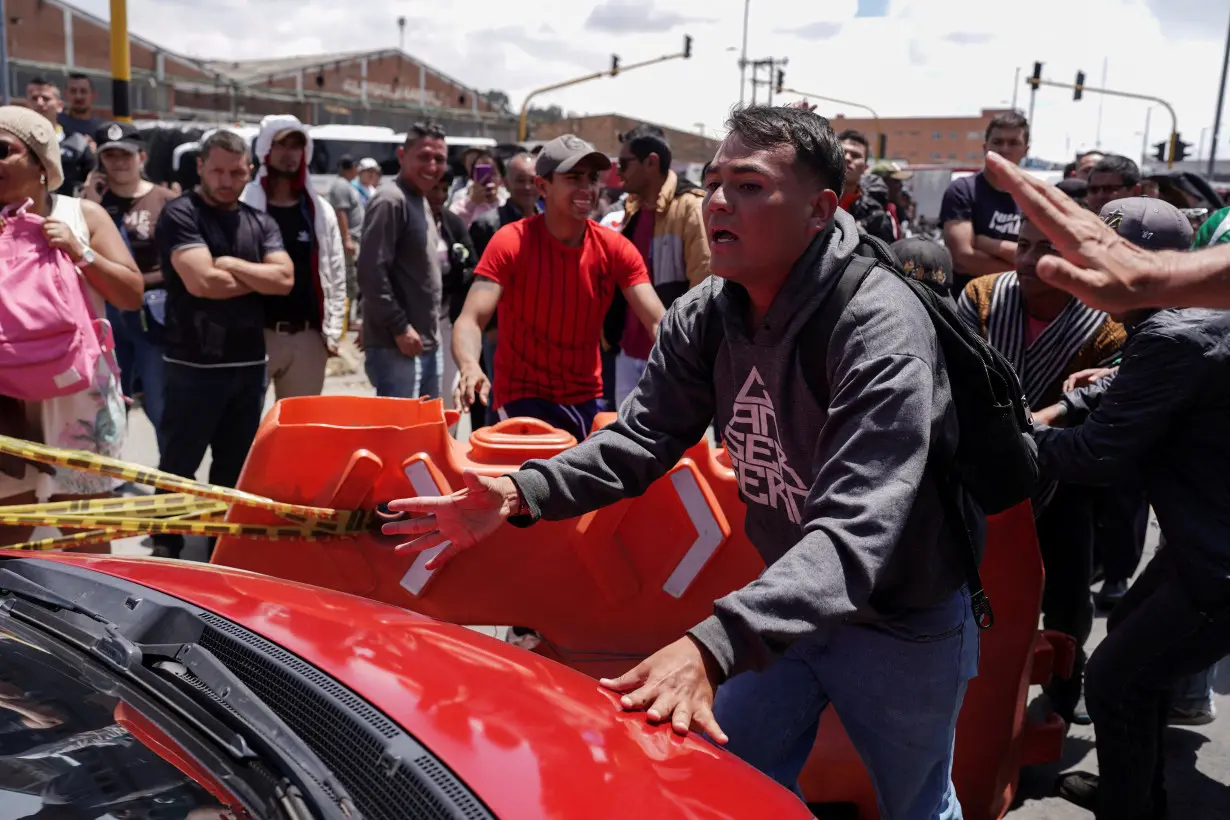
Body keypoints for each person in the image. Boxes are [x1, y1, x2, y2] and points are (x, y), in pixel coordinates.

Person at [396, 107, 980, 817]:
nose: (720, 203)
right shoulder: (709, 312)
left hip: (900, 615)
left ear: (821, 209)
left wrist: (711, 645)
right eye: (714, 183)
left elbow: (856, 533)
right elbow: (640, 442)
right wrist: (519, 492)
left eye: (751, 186)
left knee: (919, 805)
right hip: (787, 610)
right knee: (720, 781)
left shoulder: (880, 326)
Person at [1022, 198, 1230, 820]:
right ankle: (1134, 791)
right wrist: (1068, 405)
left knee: (1116, 678)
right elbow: (1141, 378)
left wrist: (1012, 440)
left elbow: (1097, 457)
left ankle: (1129, 808)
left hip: (1216, 557)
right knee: (1137, 647)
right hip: (1200, 542)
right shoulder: (1191, 320)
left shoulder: (1171, 335)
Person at [957, 214, 1127, 725]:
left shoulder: (1107, 319)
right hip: (977, 472)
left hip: (1062, 474)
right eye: (1023, 245)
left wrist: (1050, 420)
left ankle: (1063, 684)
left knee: (1068, 591)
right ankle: (976, 687)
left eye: (1046, 249)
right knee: (975, 584)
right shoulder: (983, 296)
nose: (1029, 260)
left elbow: (1120, 386)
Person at [450, 134, 666, 441]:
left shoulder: (615, 247)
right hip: (522, 400)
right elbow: (471, 319)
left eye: (592, 179)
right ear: (543, 186)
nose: (587, 189)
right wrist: (470, 365)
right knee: (532, 486)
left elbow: (657, 319)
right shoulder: (511, 241)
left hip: (587, 399)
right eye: (573, 178)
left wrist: (681, 368)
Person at [0, 106, 142, 550]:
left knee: (87, 545)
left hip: (79, 400)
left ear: (42, 164)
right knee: (11, 541)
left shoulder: (83, 216)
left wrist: (81, 252)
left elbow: (130, 294)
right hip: (8, 404)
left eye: (2, 150)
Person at [152, 129, 293, 558]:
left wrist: (230, 263)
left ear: (250, 170)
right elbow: (203, 283)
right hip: (192, 363)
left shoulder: (260, 221)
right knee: (179, 463)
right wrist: (256, 278)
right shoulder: (180, 214)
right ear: (200, 167)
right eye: (217, 170)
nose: (226, 179)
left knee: (234, 466)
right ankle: (166, 542)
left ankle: (220, 546)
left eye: (236, 171)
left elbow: (284, 280)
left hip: (248, 365)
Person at [981, 151, 1230, 312]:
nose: (1099, 197)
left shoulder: (1167, 331)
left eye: (1110, 188)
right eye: (1094, 189)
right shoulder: (986, 296)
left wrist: (1152, 278)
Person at [85, 122, 177, 455]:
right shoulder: (89, 205)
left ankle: (172, 473)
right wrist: (89, 199)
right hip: (105, 316)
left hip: (152, 318)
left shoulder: (165, 200)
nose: (118, 162)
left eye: (125, 154)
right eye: (110, 155)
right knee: (107, 403)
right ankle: (110, 478)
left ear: (141, 156)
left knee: (159, 400)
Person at [240, 115, 346, 399]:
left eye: (296, 146)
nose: (289, 155)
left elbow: (334, 270)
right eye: (281, 145)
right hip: (254, 336)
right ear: (266, 149)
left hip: (307, 336)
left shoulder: (319, 211)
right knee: (243, 429)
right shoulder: (243, 204)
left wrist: (333, 331)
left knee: (300, 432)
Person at [606, 124, 710, 406]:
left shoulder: (690, 207)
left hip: (670, 355)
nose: (619, 172)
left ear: (650, 162)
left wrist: (686, 352)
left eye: (625, 164)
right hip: (628, 351)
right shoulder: (632, 211)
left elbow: (703, 286)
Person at [358, 122, 449, 399]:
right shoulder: (390, 200)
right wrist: (399, 327)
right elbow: (371, 272)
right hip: (397, 346)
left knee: (424, 434)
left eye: (439, 159)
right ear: (402, 156)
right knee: (399, 438)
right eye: (424, 156)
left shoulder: (419, 199)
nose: (432, 166)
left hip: (425, 343)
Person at [940, 111, 1029, 292]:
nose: (1004, 149)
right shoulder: (962, 190)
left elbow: (1042, 256)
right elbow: (963, 259)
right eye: (997, 142)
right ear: (985, 147)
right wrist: (1024, 271)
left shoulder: (1033, 196)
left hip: (1018, 305)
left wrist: (989, 244)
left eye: (1013, 143)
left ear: (1026, 150)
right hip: (968, 303)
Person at [426, 171, 478, 417]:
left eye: (443, 189)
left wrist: (459, 268)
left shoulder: (452, 222)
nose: (438, 195)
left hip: (447, 321)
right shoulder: (406, 219)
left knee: (447, 396)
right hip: (414, 326)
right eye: (434, 188)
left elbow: (472, 265)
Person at [836, 130, 896, 243]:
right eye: (843, 152)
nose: (847, 158)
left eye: (855, 155)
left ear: (865, 167)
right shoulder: (811, 198)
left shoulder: (874, 214)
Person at [327, 154, 365, 324]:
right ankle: (347, 319)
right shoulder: (341, 186)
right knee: (349, 278)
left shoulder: (348, 185)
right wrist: (347, 238)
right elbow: (341, 212)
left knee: (355, 278)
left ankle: (350, 318)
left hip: (356, 238)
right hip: (349, 240)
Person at [57, 74, 104, 139]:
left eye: (83, 91)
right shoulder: (56, 122)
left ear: (94, 96)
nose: (78, 96)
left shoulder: (102, 129)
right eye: (73, 91)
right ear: (65, 95)